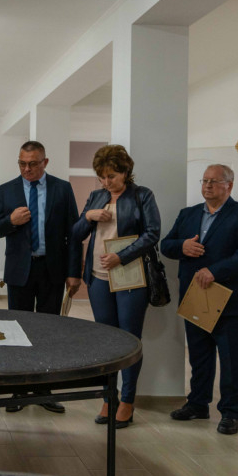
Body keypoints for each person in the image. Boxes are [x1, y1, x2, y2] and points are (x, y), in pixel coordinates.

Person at [161, 164, 238, 435]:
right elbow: (166, 245)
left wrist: (215, 271)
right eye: (204, 180)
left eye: (214, 181)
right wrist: (182, 246)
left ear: (229, 185)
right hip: (195, 296)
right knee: (199, 356)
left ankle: (230, 412)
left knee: (232, 361)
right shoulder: (188, 214)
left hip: (230, 300)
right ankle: (197, 404)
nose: (207, 185)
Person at [0, 140, 83, 413]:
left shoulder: (62, 189)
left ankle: (44, 390)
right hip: (20, 270)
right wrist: (10, 221)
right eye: (22, 163)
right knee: (17, 330)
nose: (26, 169)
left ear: (45, 162)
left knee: (48, 331)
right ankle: (19, 390)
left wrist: (74, 272)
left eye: (32, 164)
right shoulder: (6, 190)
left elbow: (74, 234)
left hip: (52, 270)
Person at [71, 144, 161, 429]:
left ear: (125, 171)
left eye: (111, 176)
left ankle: (127, 401)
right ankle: (109, 398)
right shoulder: (96, 196)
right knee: (106, 340)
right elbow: (75, 233)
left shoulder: (142, 195)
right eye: (102, 177)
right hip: (98, 277)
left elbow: (152, 234)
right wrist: (89, 216)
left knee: (129, 339)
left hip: (130, 276)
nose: (106, 182)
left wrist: (121, 256)